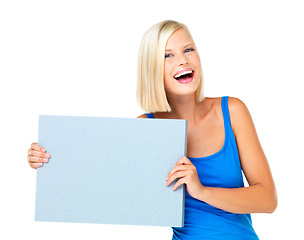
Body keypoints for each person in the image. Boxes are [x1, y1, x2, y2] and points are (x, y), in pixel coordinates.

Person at [27, 20, 277, 239]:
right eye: (168, 55)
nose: (183, 60)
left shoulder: (232, 111)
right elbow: (95, 177)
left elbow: (268, 200)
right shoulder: (146, 128)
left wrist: (201, 191)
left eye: (188, 49)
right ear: (152, 68)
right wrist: (48, 160)